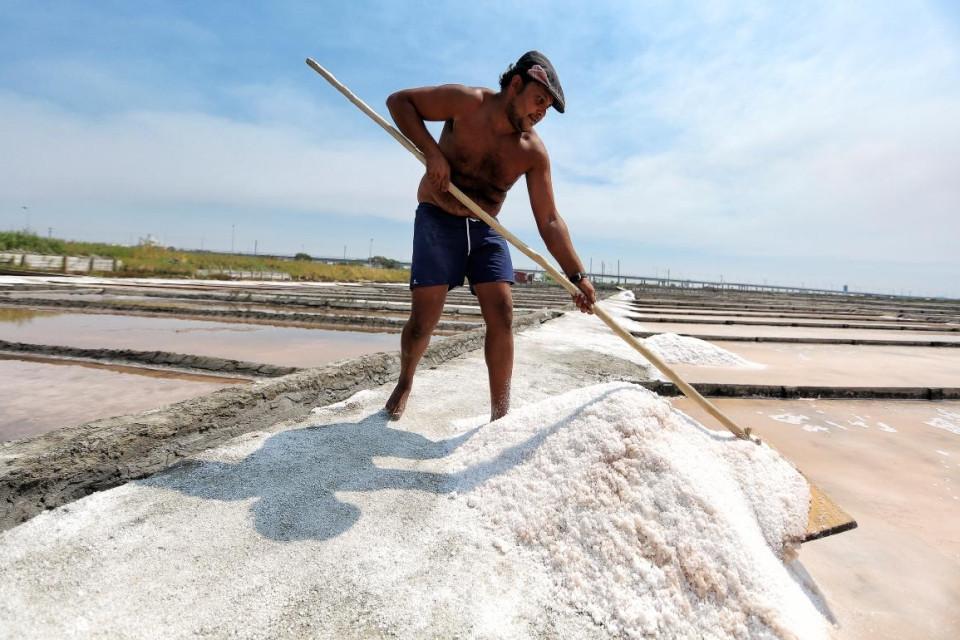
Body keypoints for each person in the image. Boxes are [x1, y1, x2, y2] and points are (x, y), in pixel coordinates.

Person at [384, 50, 596, 421]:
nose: (540, 113)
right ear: (515, 84)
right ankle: (405, 381)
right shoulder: (467, 102)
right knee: (423, 322)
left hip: (486, 229)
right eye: (539, 100)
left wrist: (577, 275)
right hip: (438, 218)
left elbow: (548, 220)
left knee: (502, 312)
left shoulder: (532, 151)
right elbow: (399, 102)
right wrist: (433, 153)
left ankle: (501, 413)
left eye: (547, 109)